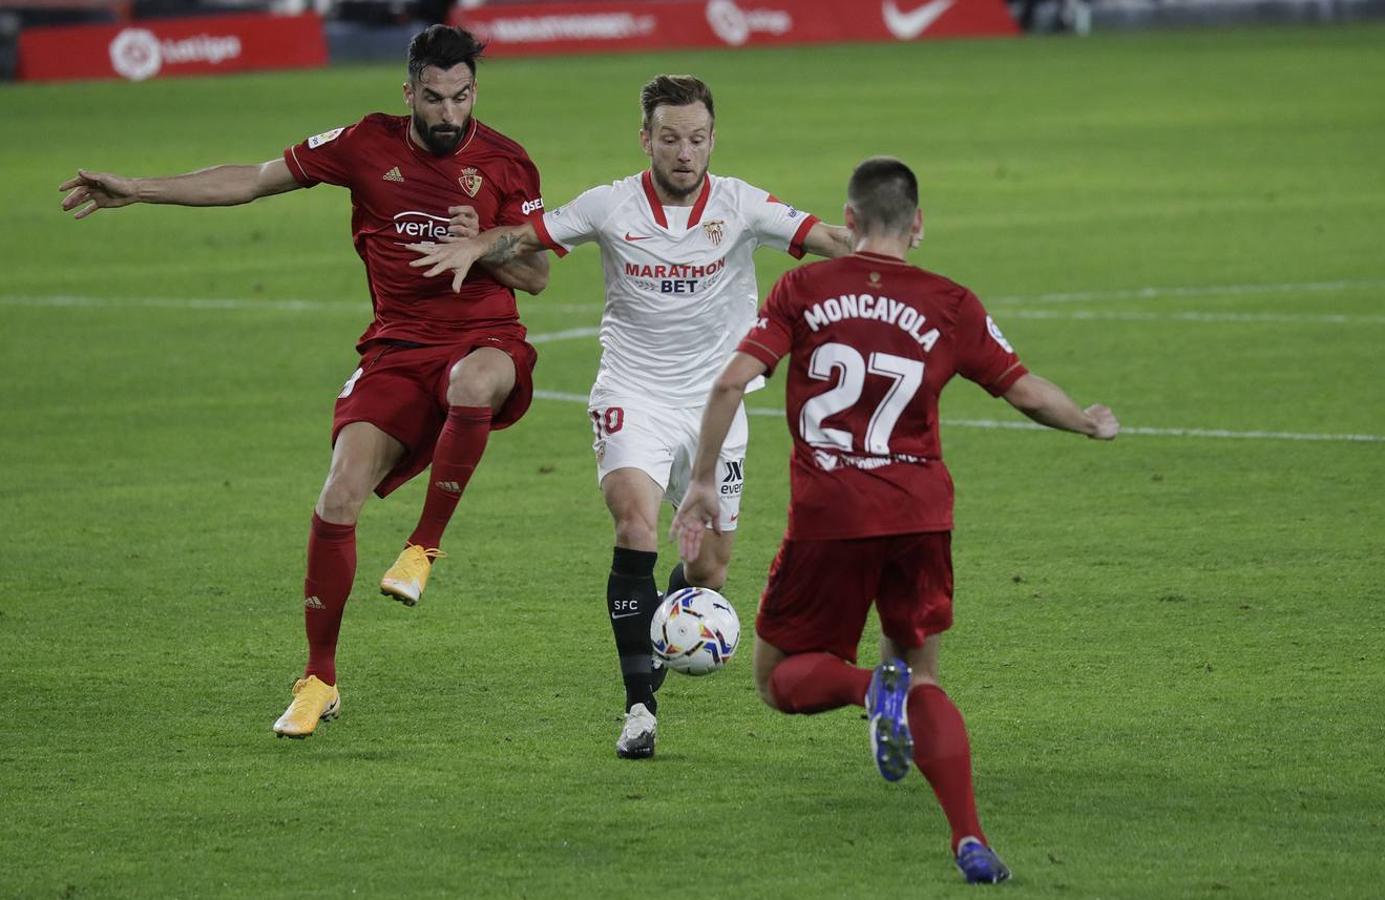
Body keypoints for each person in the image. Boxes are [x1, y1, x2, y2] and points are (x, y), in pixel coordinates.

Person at [59, 25, 551, 739]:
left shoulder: (505, 162)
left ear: (476, 91)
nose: (450, 113)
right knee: (338, 492)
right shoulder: (363, 143)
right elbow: (254, 180)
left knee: (477, 381)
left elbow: (536, 277)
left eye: (463, 97)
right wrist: (136, 188)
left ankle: (422, 548)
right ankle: (318, 678)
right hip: (396, 349)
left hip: (485, 339)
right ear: (409, 91)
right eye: (436, 98)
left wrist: (482, 242)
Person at [670, 157, 1119, 883]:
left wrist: (700, 484)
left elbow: (729, 382)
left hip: (829, 515)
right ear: (917, 226)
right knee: (923, 675)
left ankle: (863, 689)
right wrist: (1085, 422)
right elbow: (1026, 392)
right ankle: (967, 837)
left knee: (777, 679)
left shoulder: (803, 287)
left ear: (846, 221)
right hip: (919, 514)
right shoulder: (949, 301)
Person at [408, 75, 854, 759]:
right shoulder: (609, 205)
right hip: (632, 394)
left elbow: (825, 237)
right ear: (645, 137)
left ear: (712, 139)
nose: (684, 152)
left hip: (716, 408)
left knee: (708, 573)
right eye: (670, 138)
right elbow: (526, 236)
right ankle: (639, 707)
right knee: (635, 526)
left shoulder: (739, 204)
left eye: (697, 139)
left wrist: (871, 244)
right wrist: (478, 245)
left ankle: (671, 626)